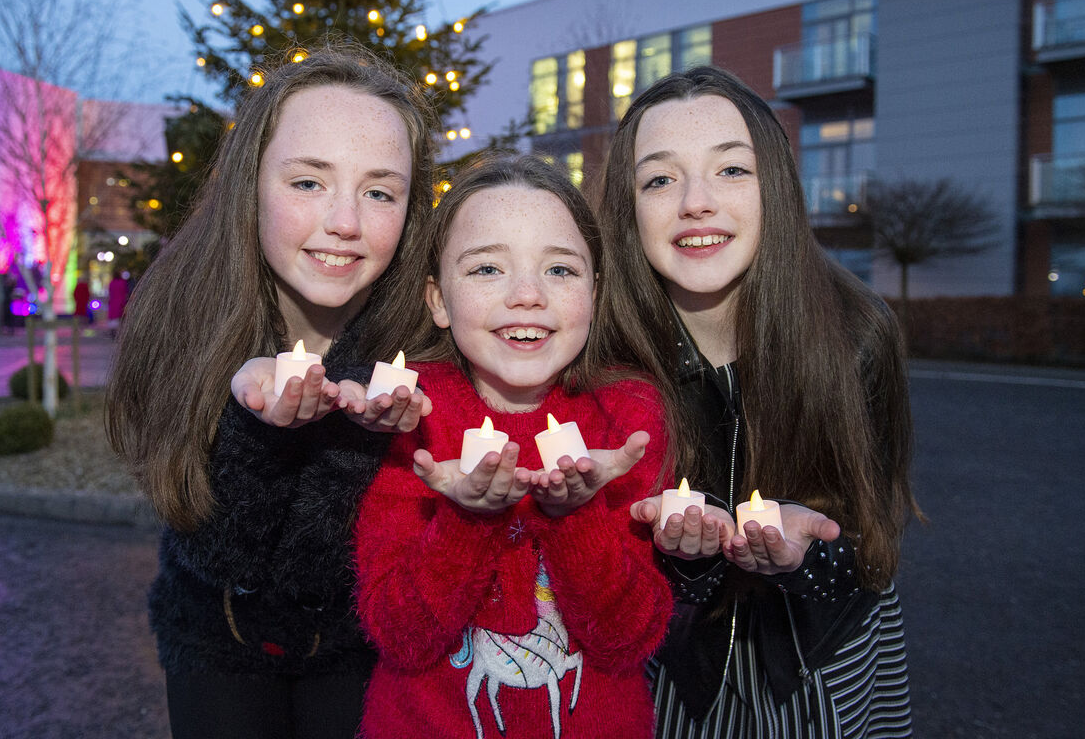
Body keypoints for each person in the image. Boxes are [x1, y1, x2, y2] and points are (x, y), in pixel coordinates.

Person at [104, 41, 437, 739]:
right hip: (214, 643)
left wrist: (359, 435)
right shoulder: (182, 311)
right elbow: (218, 552)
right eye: (309, 182)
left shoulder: (423, 342)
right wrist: (257, 429)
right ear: (251, 181)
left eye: (379, 191)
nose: (344, 221)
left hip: (359, 654)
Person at [598, 66, 919, 738]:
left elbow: (875, 542)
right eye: (660, 178)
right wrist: (681, 564)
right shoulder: (605, 356)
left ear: (775, 183)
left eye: (731, 170)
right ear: (628, 210)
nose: (695, 202)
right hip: (674, 671)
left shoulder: (855, 335)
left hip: (820, 657)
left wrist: (812, 557)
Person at [352, 154, 675, 739]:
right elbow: (400, 635)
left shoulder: (627, 418)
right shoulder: (409, 418)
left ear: (595, 292)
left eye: (559, 270)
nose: (527, 294)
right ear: (438, 300)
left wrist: (575, 515)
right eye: (486, 270)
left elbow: (628, 637)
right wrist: (465, 520)